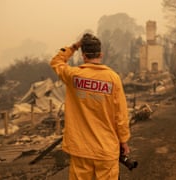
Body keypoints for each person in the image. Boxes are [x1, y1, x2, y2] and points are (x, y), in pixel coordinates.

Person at [50, 33, 130, 180]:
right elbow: (121, 115)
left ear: (83, 55)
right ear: (101, 54)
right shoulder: (113, 78)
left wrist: (74, 46)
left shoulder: (73, 75)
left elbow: (56, 61)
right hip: (106, 149)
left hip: (80, 149)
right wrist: (123, 140)